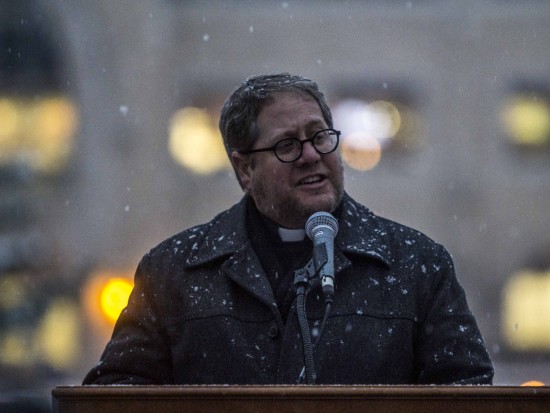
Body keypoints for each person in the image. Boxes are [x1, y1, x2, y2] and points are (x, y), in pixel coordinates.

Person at [83, 73, 494, 385]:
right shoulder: (175, 272)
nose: (311, 155)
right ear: (245, 168)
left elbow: (466, 391)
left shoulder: (415, 264)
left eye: (319, 137)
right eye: (287, 145)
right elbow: (119, 391)